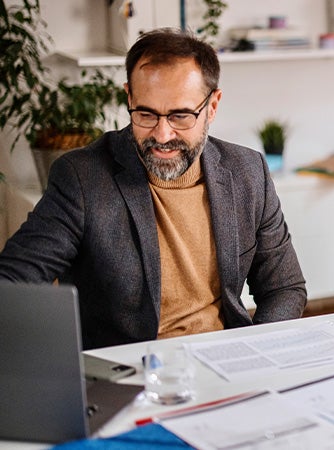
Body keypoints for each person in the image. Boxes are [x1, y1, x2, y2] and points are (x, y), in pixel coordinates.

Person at [0, 29, 307, 349]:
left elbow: (284, 288)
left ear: (212, 106)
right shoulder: (83, 177)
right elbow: (13, 283)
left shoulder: (247, 172)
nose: (161, 135)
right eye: (145, 114)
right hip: (131, 374)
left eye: (180, 116)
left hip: (224, 360)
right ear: (129, 97)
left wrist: (256, 351)